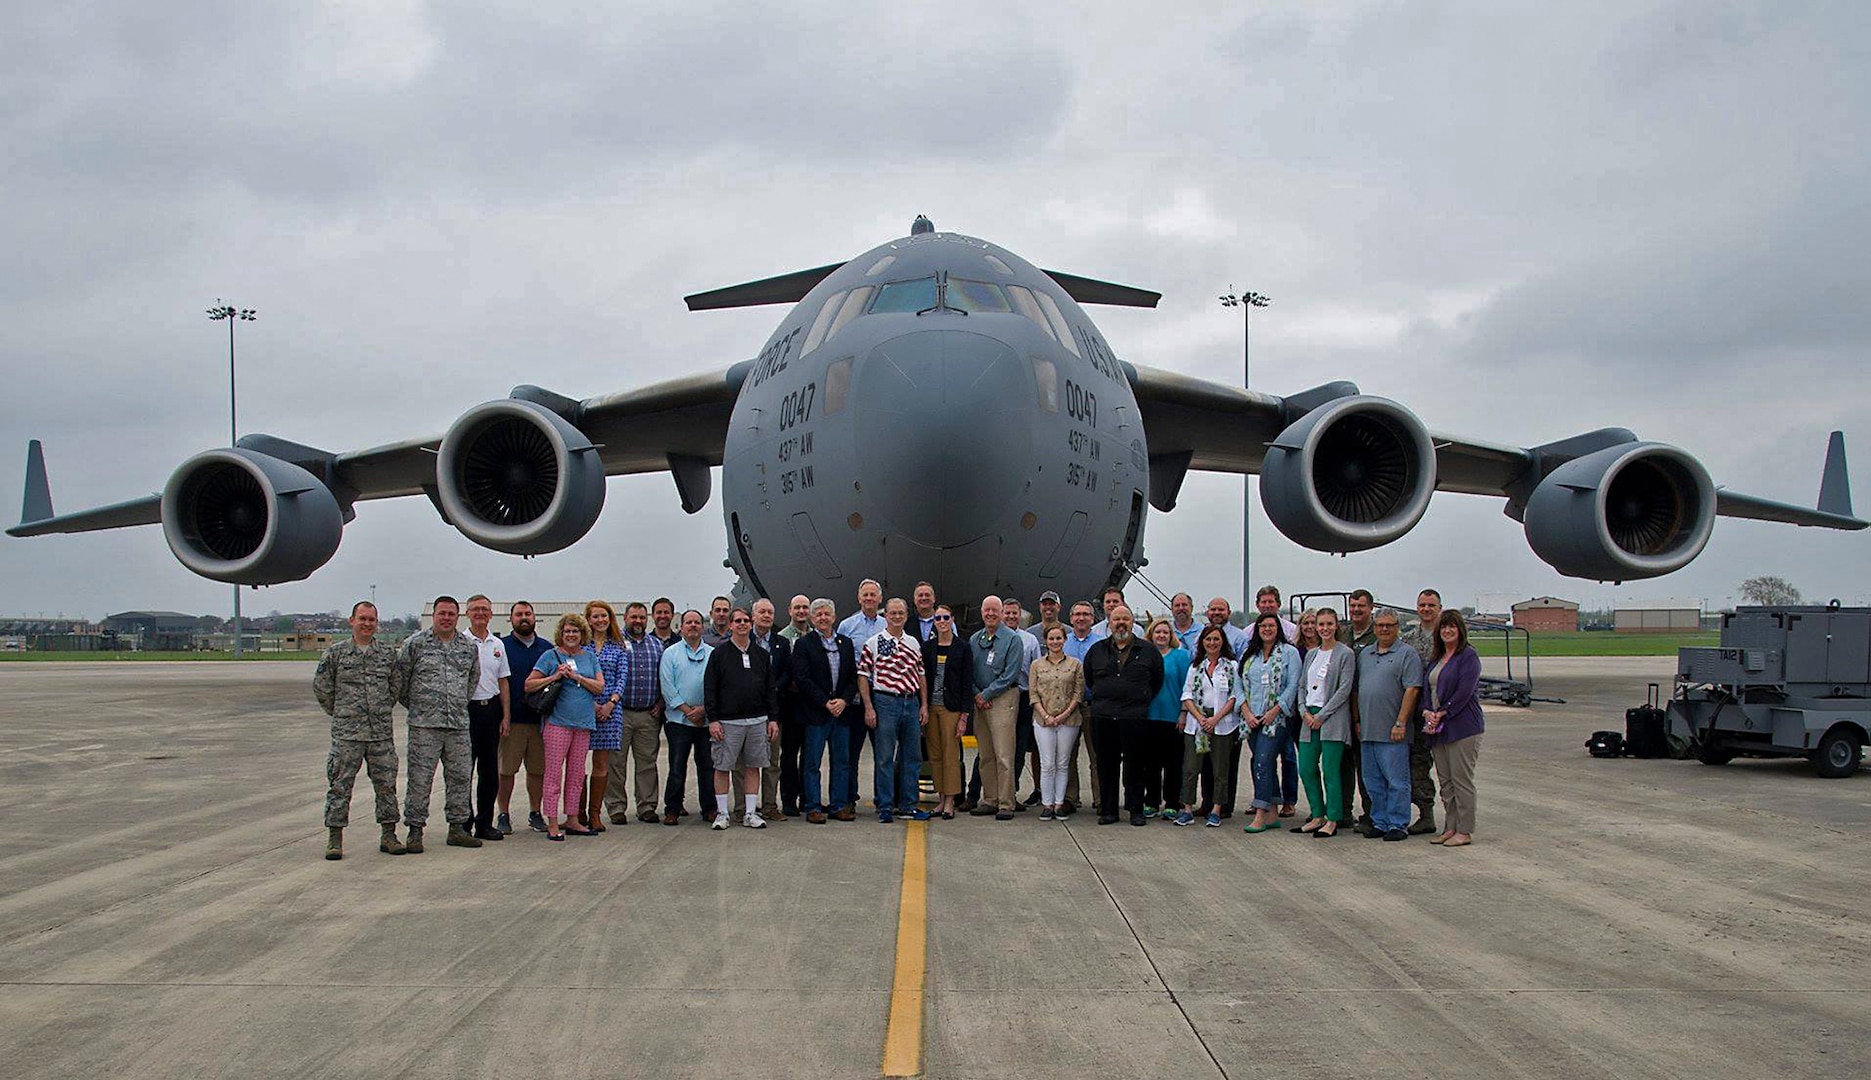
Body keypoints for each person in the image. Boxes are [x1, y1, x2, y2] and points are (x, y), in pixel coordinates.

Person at [313, 601, 405, 859]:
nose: (367, 624)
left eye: (371, 620)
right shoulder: (336, 654)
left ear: (377, 623)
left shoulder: (387, 654)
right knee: (340, 786)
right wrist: (342, 711)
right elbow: (322, 687)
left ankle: (389, 834)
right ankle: (335, 837)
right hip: (347, 734)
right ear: (351, 621)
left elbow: (395, 685)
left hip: (380, 734)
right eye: (362, 619)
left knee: (386, 785)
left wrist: (380, 707)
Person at [399, 596, 482, 853]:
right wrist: (421, 706)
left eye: (451, 614)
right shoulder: (415, 644)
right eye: (442, 613)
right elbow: (400, 682)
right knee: (420, 779)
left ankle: (457, 828)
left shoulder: (468, 647)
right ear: (434, 615)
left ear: (459, 617)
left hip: (457, 725)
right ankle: (415, 830)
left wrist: (455, 704)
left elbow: (472, 680)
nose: (446, 618)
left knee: (460, 778)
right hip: (424, 726)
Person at [1082, 605, 1165, 826]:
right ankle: (1109, 810)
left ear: (1132, 623)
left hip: (1134, 718)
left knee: (1135, 765)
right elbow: (1089, 678)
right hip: (1104, 718)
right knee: (1106, 765)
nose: (1121, 623)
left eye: (1125, 619)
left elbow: (1156, 680)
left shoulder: (1148, 651)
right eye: (1116, 619)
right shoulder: (1097, 651)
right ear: (1109, 623)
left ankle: (1135, 809)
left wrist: (1139, 699)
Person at [525, 612, 605, 841]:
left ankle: (573, 818)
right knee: (553, 773)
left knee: (577, 774)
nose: (571, 635)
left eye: (575, 631)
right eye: (567, 631)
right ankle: (551, 821)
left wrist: (577, 677)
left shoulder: (589, 658)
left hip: (583, 724)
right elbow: (529, 685)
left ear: (583, 634)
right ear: (561, 634)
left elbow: (600, 687)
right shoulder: (550, 656)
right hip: (558, 723)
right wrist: (554, 677)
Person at [703, 608, 780, 831]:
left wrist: (772, 719)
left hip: (757, 721)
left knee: (753, 767)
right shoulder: (718, 655)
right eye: (738, 621)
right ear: (730, 625)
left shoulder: (762, 655)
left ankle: (750, 812)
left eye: (746, 620)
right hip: (727, 722)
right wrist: (713, 719)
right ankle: (722, 813)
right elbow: (710, 688)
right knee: (722, 767)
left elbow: (770, 689)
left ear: (752, 623)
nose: (743, 624)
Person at [859, 598, 930, 822]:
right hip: (885, 702)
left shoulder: (914, 643)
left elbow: (921, 675)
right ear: (886, 615)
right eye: (893, 613)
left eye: (901, 613)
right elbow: (863, 675)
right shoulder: (874, 642)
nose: (897, 617)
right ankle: (886, 806)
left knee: (912, 757)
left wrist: (924, 704)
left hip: (911, 702)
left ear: (907, 615)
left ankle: (908, 805)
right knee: (884, 757)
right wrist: (868, 707)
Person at [1353, 611, 1422, 842]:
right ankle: (1379, 821)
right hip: (1368, 730)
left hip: (1393, 731)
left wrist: (1401, 722)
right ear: (1374, 628)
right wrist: (1358, 721)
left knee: (1396, 781)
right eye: (1380, 625)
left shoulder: (1407, 654)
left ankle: (1398, 824)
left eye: (1389, 625)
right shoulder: (1365, 655)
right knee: (1372, 782)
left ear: (1397, 627)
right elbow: (1357, 690)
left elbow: (1412, 689)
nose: (1384, 629)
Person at [791, 599, 860, 822]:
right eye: (818, 614)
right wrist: (825, 702)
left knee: (842, 762)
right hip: (816, 714)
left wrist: (843, 701)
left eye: (826, 614)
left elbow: (852, 678)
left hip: (842, 714)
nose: (823, 618)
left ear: (834, 617)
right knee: (812, 762)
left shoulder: (846, 643)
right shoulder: (804, 644)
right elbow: (802, 679)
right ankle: (813, 807)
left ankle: (838, 805)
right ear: (812, 619)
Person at [1422, 611, 1484, 847]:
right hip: (1438, 728)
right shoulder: (1438, 657)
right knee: (1445, 781)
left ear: (1460, 630)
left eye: (1452, 627)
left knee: (1461, 780)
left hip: (1463, 726)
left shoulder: (1468, 656)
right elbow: (1428, 687)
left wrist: (1443, 711)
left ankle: (1465, 830)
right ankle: (1450, 826)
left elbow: (1465, 691)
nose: (1447, 631)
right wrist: (1427, 710)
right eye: (1443, 628)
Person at [1293, 608, 1356, 838]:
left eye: (1329, 624)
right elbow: (1302, 685)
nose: (1325, 628)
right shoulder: (1311, 654)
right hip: (1308, 718)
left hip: (1332, 719)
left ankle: (1332, 818)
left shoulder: (1345, 654)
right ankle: (1316, 814)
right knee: (1307, 768)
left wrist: (1322, 715)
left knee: (1331, 771)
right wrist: (1303, 711)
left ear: (1336, 625)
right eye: (1321, 624)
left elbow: (1344, 689)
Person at [1239, 613, 1300, 835]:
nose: (1267, 629)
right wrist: (1245, 711)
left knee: (1262, 762)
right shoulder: (1250, 655)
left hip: (1277, 719)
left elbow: (1293, 685)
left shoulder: (1289, 653)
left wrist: (1275, 711)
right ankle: (1273, 810)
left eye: (1271, 625)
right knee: (1261, 761)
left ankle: (1261, 812)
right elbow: (1239, 684)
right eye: (1263, 626)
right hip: (1252, 719)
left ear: (1278, 628)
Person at [607, 601, 666, 825]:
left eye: (642, 617)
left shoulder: (656, 645)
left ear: (647, 618)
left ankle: (647, 806)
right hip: (621, 713)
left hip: (648, 715)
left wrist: (660, 702)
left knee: (647, 764)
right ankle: (616, 807)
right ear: (625, 618)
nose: (638, 621)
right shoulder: (615, 643)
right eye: (634, 617)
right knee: (616, 763)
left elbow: (664, 678)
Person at [967, 596, 1025, 820]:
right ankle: (990, 799)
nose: (990, 614)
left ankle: (1006, 802)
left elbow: (1011, 673)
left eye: (995, 610)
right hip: (980, 699)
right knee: (986, 754)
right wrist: (977, 695)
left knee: (1004, 754)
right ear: (982, 613)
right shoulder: (975, 639)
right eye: (987, 610)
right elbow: (969, 671)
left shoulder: (1012, 640)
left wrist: (987, 693)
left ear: (1001, 613)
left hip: (1002, 698)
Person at [1175, 624, 1238, 828]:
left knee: (1220, 769)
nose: (1212, 643)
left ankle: (1216, 810)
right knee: (1191, 768)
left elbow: (1234, 696)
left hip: (1222, 723)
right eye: (1208, 639)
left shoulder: (1231, 666)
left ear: (1222, 642)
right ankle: (1186, 809)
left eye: (1216, 639)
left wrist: (1215, 719)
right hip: (1197, 722)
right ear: (1202, 642)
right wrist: (1201, 718)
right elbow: (1187, 694)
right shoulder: (1195, 667)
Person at [499, 602, 553, 834]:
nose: (524, 618)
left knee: (537, 771)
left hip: (541, 721)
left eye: (527, 614)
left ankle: (535, 812)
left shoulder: (547, 648)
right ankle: (503, 813)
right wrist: (503, 716)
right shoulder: (502, 647)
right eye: (519, 614)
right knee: (506, 770)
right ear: (511, 619)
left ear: (534, 618)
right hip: (513, 721)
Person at [658, 610, 716, 825]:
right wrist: (687, 711)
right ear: (681, 627)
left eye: (697, 622)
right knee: (676, 767)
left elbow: (716, 687)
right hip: (678, 721)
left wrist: (703, 710)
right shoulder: (670, 654)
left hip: (706, 720)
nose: (693, 626)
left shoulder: (712, 654)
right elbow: (667, 686)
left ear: (703, 627)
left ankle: (709, 808)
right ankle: (672, 809)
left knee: (707, 767)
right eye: (689, 622)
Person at [462, 594, 511, 842]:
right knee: (464, 770)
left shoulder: (497, 645)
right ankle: (463, 822)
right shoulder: (461, 642)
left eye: (485, 610)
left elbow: (503, 682)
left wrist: (506, 716)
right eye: (475, 609)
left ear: (491, 614)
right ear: (467, 613)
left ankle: (485, 823)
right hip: (466, 711)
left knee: (489, 771)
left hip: (490, 710)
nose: (480, 613)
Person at [1398, 588, 1444, 834]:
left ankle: (1457, 817)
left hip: (1441, 712)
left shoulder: (1447, 636)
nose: (1426, 609)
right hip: (1416, 713)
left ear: (1439, 608)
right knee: (1417, 764)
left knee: (1448, 768)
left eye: (1431, 605)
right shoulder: (1409, 639)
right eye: (1422, 605)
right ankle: (1425, 814)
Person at [838, 579, 886, 809]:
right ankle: (849, 798)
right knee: (851, 752)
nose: (869, 599)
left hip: (881, 695)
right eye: (865, 595)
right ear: (859, 598)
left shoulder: (887, 626)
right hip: (854, 698)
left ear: (879, 599)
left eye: (872, 595)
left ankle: (883, 799)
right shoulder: (847, 626)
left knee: (883, 753)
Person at [1028, 623, 1084, 821]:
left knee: (1062, 763)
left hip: (1069, 720)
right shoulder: (1037, 665)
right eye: (1051, 639)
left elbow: (1078, 693)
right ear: (1045, 641)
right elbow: (1033, 694)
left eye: (1058, 638)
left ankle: (1059, 804)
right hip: (1043, 720)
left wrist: (1063, 715)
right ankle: (1047, 804)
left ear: (1065, 640)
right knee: (1047, 763)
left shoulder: (1075, 664)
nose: (1055, 642)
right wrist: (1045, 715)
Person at [922, 604, 972, 819]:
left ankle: (951, 800)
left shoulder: (962, 648)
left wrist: (964, 716)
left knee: (950, 754)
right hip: (932, 708)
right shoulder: (928, 647)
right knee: (934, 755)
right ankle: (941, 798)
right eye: (938, 618)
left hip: (951, 708)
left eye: (945, 617)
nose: (942, 621)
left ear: (952, 620)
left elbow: (966, 683)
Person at [582, 600, 627, 833]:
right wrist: (591, 705)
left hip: (610, 712)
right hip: (582, 710)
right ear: (588, 619)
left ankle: (595, 814)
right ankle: (577, 813)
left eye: (604, 616)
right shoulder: (581, 646)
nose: (600, 620)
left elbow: (621, 679)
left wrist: (610, 704)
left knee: (601, 764)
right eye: (595, 616)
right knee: (578, 764)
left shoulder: (618, 647)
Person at [747, 597, 794, 821]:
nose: (766, 616)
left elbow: (787, 673)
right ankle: (743, 807)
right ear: (753, 616)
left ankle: (769, 806)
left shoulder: (781, 643)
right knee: (745, 763)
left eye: (770, 613)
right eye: (762, 612)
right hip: (746, 712)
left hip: (774, 712)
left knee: (772, 762)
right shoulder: (742, 640)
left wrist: (772, 689)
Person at [1145, 618, 1191, 819]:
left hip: (1173, 717)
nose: (1161, 635)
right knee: (1151, 763)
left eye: (1165, 632)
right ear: (1151, 635)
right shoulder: (1145, 656)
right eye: (1157, 632)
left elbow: (1186, 687)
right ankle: (1151, 802)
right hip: (1150, 716)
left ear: (1171, 635)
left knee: (1173, 763)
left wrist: (1183, 713)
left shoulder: (1181, 657)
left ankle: (1171, 802)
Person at [1060, 600, 1101, 813]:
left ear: (1093, 619)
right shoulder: (1063, 643)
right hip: (1069, 707)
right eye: (1077, 614)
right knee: (1068, 754)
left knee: (1097, 755)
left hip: (1094, 706)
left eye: (1086, 614)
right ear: (1071, 618)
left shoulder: (1102, 643)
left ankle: (1100, 798)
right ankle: (1070, 797)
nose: (1081, 618)